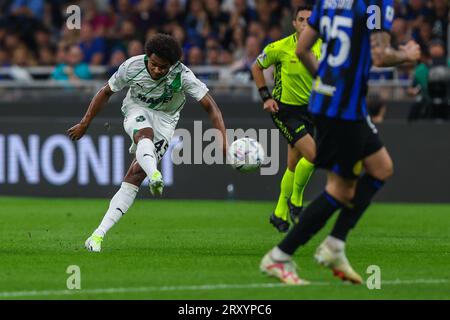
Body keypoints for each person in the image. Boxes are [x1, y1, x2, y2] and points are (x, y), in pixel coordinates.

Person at [260, 0, 420, 284]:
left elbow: (302, 49)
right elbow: (380, 56)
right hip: (343, 109)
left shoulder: (328, 2)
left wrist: (325, 82)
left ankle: (335, 244)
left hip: (334, 103)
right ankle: (280, 256)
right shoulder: (377, 5)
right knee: (341, 190)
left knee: (381, 168)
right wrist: (407, 53)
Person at [67, 34, 228, 252]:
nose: (157, 70)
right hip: (136, 110)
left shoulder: (183, 76)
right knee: (144, 135)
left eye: (163, 67)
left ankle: (96, 236)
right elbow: (106, 92)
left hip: (166, 121)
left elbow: (211, 107)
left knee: (134, 174)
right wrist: (85, 122)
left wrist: (224, 142)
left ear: (172, 65)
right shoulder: (131, 66)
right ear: (147, 58)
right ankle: (155, 174)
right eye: (153, 64)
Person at [251, 5, 321, 232]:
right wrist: (266, 97)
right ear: (294, 23)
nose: (305, 23)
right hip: (285, 111)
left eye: (310, 20)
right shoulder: (280, 47)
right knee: (313, 155)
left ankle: (279, 212)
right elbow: (257, 67)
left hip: (311, 110)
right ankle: (296, 201)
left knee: (293, 163)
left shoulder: (323, 46)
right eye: (301, 19)